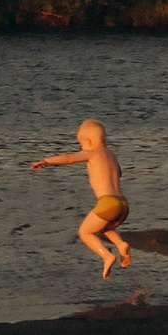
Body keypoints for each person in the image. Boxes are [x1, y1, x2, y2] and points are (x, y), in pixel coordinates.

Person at [30, 119, 132, 278]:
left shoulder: (91, 153)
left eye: (81, 144)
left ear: (88, 142)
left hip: (107, 203)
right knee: (105, 227)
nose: (81, 148)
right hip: (123, 204)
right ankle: (120, 244)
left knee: (85, 232)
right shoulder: (111, 155)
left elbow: (69, 158)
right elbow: (119, 173)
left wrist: (46, 161)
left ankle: (107, 256)